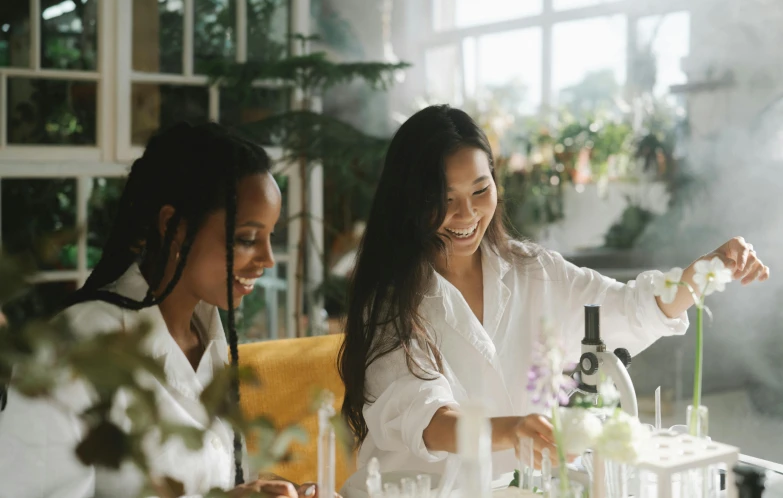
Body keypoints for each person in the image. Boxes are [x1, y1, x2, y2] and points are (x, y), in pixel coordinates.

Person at [337, 105, 770, 496]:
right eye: (444, 200)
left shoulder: (534, 270)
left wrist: (707, 270)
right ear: (410, 202)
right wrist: (513, 431)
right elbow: (427, 422)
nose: (467, 216)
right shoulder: (390, 303)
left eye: (480, 191)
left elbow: (625, 309)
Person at [0, 123, 330, 498]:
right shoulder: (76, 347)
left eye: (270, 237)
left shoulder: (207, 340)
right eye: (247, 239)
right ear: (175, 228)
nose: (268, 260)